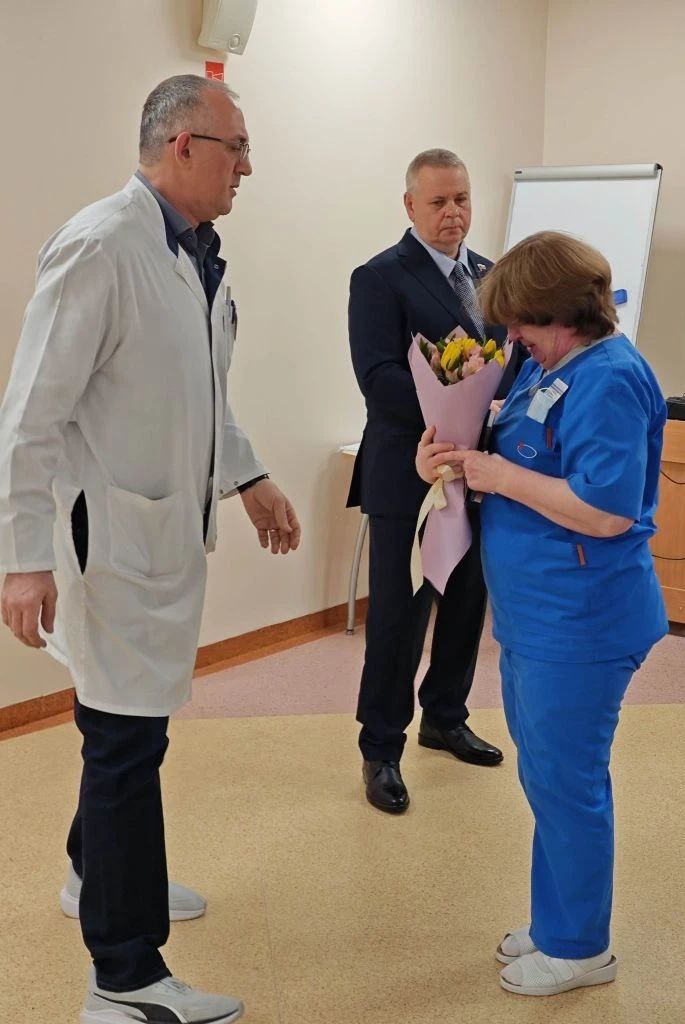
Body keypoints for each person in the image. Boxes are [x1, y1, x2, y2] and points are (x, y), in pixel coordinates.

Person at [0, 75, 300, 1024]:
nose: (246, 167)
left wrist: (250, 478)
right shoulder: (102, 246)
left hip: (163, 533)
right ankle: (124, 978)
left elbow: (201, 396)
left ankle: (96, 871)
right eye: (236, 148)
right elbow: (29, 417)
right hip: (110, 542)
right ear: (182, 146)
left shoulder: (195, 254)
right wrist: (21, 558)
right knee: (124, 742)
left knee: (133, 729)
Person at [417, 230, 668, 996]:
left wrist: (496, 474)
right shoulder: (549, 366)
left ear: (562, 312)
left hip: (584, 619)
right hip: (538, 618)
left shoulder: (609, 379)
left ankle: (581, 948)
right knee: (548, 776)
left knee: (568, 779)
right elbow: (518, 448)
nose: (513, 336)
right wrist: (451, 459)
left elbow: (606, 510)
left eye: (522, 321)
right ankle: (557, 919)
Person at [347, 149, 526, 814]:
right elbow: (378, 376)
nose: (454, 213)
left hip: (480, 469)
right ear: (410, 206)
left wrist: (491, 408)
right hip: (409, 474)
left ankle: (445, 716)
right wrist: (453, 408)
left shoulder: (492, 274)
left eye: (462, 199)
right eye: (439, 202)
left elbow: (509, 359)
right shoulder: (379, 277)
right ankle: (380, 748)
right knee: (400, 618)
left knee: (468, 602)